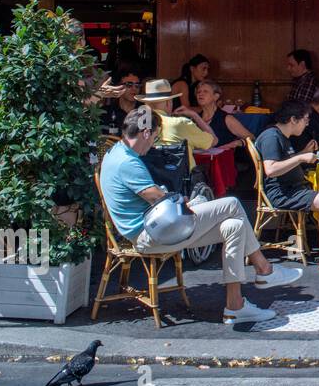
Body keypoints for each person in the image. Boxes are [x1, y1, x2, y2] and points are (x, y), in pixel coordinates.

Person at [100, 107, 302, 325]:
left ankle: (236, 307)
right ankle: (264, 269)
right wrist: (186, 201)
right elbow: (158, 199)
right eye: (155, 137)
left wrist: (180, 200)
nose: (153, 144)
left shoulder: (116, 152)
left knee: (234, 226)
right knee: (232, 203)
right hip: (151, 235)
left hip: (154, 228)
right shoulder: (129, 163)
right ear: (146, 133)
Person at [255, 100, 319, 271]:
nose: (307, 123)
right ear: (294, 119)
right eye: (306, 119)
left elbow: (284, 161)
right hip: (282, 192)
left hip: (293, 189)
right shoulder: (272, 136)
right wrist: (300, 158)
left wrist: (303, 153)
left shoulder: (281, 136)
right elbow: (270, 169)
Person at [136, 78, 216, 170]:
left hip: (147, 180)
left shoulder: (135, 124)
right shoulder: (180, 123)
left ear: (146, 104)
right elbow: (213, 141)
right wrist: (195, 115)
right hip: (179, 181)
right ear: (168, 103)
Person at [193, 79, 254, 151]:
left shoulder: (226, 119)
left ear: (216, 96)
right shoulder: (194, 119)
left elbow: (251, 138)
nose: (200, 94)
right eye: (198, 92)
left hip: (221, 159)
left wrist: (238, 143)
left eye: (205, 91)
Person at [100, 70, 142, 135]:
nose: (134, 88)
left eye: (137, 85)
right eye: (129, 85)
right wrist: (99, 94)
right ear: (118, 87)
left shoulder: (144, 112)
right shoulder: (105, 112)